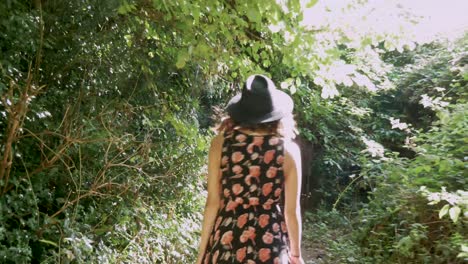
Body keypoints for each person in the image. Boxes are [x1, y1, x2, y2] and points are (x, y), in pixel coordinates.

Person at [196, 74, 304, 264]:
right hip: (270, 244)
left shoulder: (220, 144)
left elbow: (213, 202)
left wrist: (201, 254)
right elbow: (291, 211)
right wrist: (295, 254)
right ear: (276, 114)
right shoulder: (288, 151)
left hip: (226, 239)